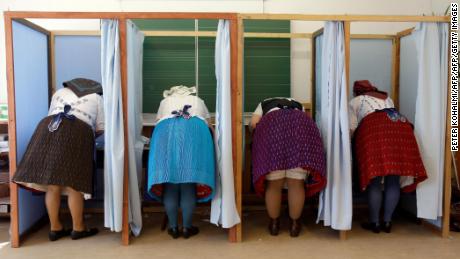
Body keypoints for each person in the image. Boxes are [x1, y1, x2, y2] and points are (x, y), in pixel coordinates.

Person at [13, 78, 104, 241]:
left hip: (47, 129)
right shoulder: (97, 98)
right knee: (74, 185)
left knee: (52, 185)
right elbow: (101, 128)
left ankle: (55, 228)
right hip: (77, 132)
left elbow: (51, 114)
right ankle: (78, 228)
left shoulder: (59, 93)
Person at [349, 80, 428, 233]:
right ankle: (387, 222)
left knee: (375, 181)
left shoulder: (355, 101)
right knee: (393, 179)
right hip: (402, 131)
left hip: (376, 132)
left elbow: (351, 130)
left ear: (356, 92)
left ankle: (375, 223)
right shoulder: (387, 99)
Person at [250, 97, 326, 237]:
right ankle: (294, 225)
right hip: (299, 136)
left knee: (274, 185)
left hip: (273, 134)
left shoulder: (263, 103)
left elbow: (254, 124)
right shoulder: (298, 105)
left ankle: (274, 225)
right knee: (296, 183)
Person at [147, 86, 215, 239]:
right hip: (195, 132)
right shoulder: (198, 101)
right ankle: (187, 227)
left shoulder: (165, 102)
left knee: (170, 182)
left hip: (166, 133)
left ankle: (173, 227)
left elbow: (158, 122)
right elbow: (210, 125)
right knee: (188, 182)